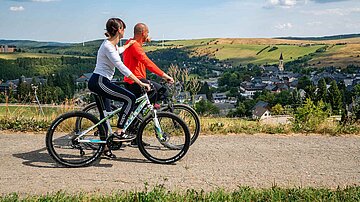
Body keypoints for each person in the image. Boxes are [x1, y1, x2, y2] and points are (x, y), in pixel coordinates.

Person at [87, 18, 150, 158]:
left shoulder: (111, 45)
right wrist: (140, 83)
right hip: (100, 81)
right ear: (119, 30)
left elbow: (119, 50)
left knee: (106, 116)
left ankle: (104, 148)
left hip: (99, 81)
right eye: (123, 29)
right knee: (130, 98)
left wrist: (129, 45)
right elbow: (122, 67)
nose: (124, 31)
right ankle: (120, 131)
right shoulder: (108, 46)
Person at [122, 23, 174, 146]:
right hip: (136, 81)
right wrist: (164, 75)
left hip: (132, 80)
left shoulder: (131, 42)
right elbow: (147, 63)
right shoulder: (135, 46)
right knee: (162, 91)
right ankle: (142, 118)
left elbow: (138, 43)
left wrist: (145, 40)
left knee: (140, 107)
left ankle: (135, 126)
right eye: (147, 33)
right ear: (143, 33)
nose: (148, 35)